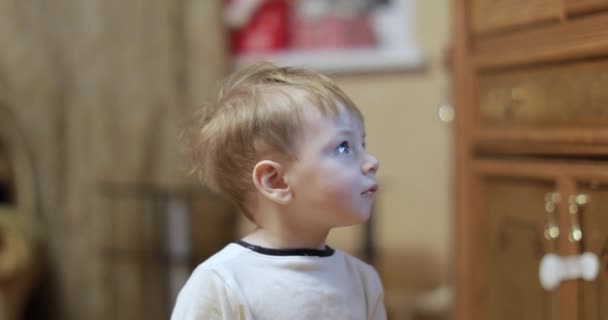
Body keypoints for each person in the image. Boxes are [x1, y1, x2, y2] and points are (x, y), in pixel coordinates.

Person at [172, 61, 385, 320]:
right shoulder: (222, 282)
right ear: (276, 181)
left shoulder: (362, 281)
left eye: (361, 143)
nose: (372, 161)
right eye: (344, 147)